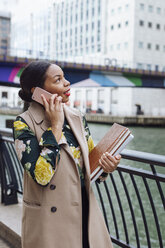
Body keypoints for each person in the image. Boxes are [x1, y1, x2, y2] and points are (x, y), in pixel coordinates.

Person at [13, 61, 121, 248]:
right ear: (37, 90)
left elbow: (88, 165)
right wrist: (55, 126)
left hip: (85, 212)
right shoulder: (23, 123)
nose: (67, 83)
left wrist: (105, 169)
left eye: (64, 77)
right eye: (58, 79)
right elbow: (41, 176)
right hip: (49, 221)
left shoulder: (77, 117)